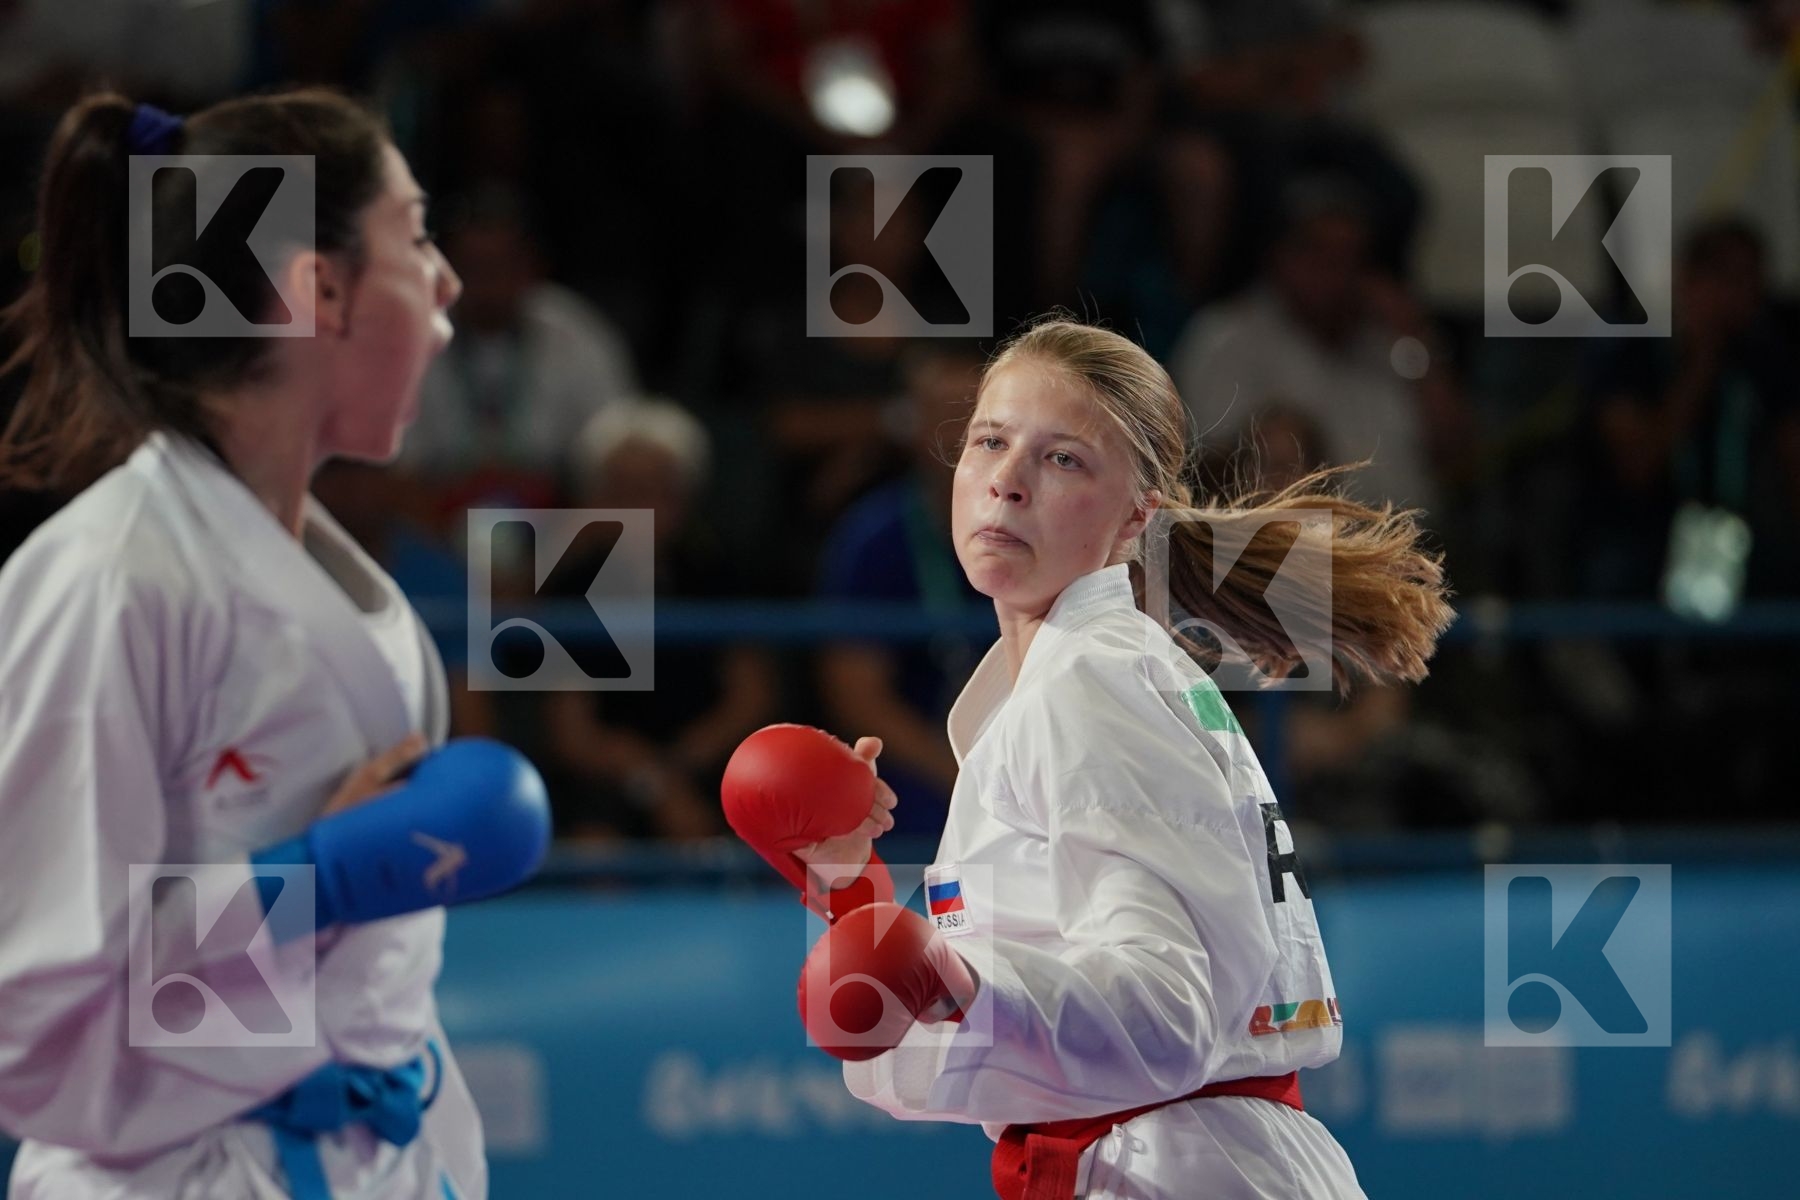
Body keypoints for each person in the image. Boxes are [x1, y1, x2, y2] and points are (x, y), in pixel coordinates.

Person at [742, 318, 1454, 1197]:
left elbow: (1168, 1011)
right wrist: (856, 898)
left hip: (1174, 1166)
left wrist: (956, 978)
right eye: (990, 441)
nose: (1005, 482)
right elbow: (953, 1057)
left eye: (1063, 459)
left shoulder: (1091, 679)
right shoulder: (1059, 678)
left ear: (1136, 514)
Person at [0, 89, 547, 1199]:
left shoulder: (344, 580)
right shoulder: (113, 579)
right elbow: (35, 1018)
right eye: (417, 233)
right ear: (323, 288)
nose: (444, 282)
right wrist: (315, 880)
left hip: (372, 1147)